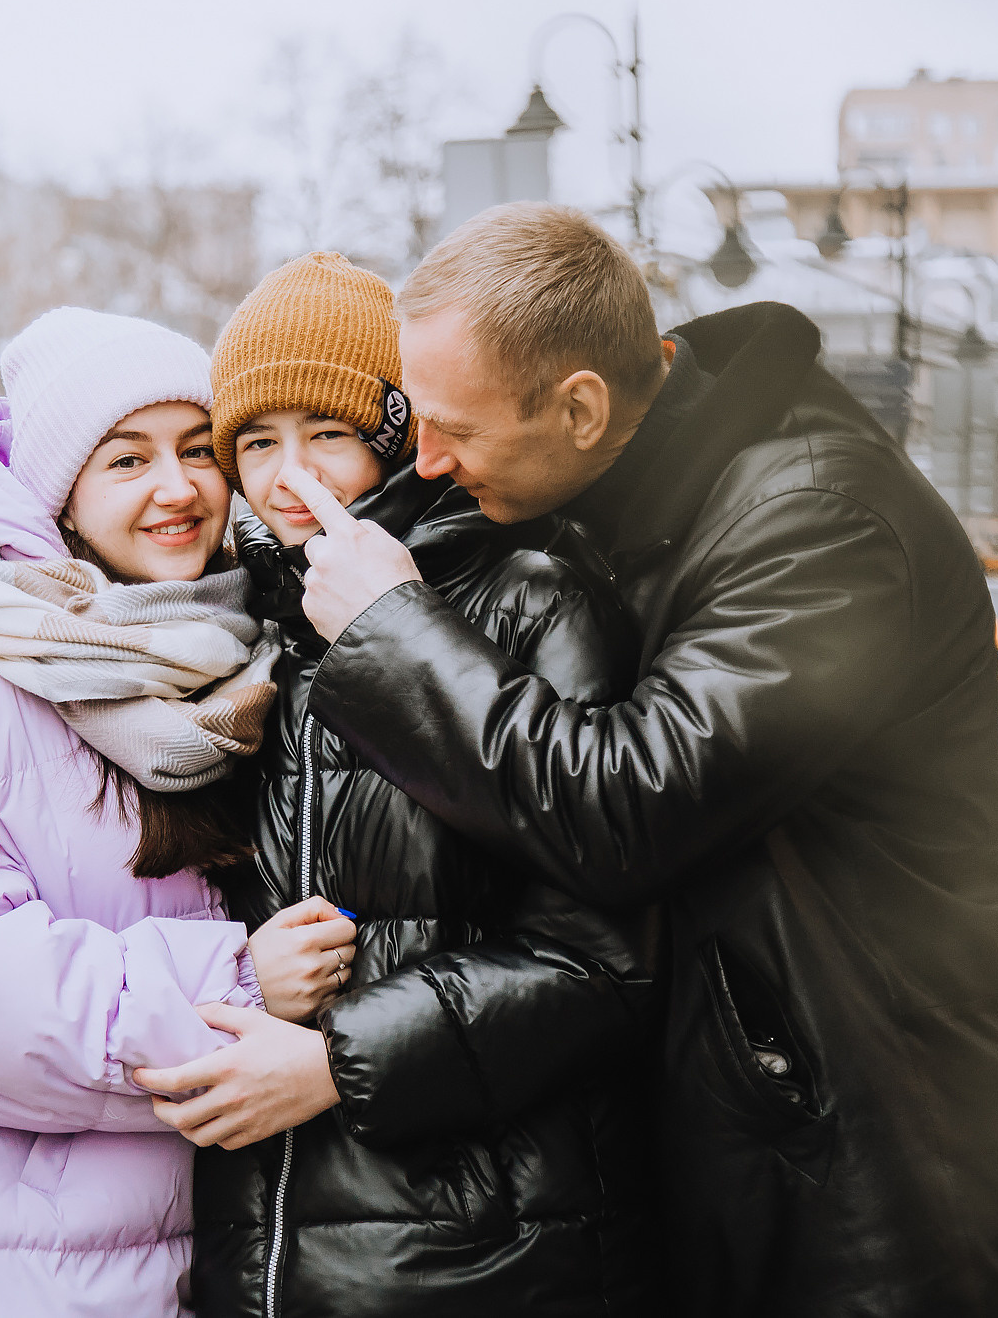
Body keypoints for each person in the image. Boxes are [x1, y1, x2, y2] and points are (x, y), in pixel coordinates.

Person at [283, 205, 998, 1317]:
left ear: (581, 406)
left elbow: (628, 800)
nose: (430, 460)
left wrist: (391, 626)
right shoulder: (630, 499)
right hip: (745, 1143)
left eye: (453, 429)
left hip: (866, 1165)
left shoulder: (818, 520)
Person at [150, 253, 660, 1318]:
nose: (289, 477)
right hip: (272, 1247)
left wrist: (338, 1059)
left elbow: (600, 962)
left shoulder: (527, 603)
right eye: (256, 440)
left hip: (471, 1250)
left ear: (399, 430)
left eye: (326, 433)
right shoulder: (247, 636)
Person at [0, 307, 312, 1318]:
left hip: (129, 1259)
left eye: (197, 449)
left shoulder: (210, 663)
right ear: (61, 497)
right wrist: (242, 980)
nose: (178, 487)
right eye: (127, 459)